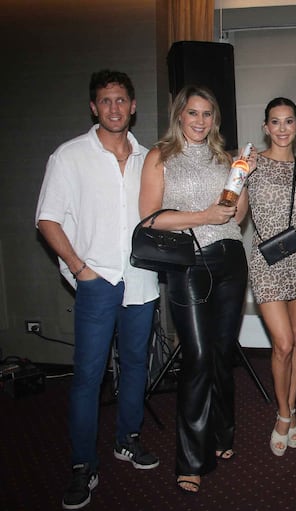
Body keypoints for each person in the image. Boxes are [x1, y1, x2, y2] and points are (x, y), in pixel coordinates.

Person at [36, 69, 160, 510]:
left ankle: (127, 440)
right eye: (105, 101)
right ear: (94, 107)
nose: (114, 108)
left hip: (142, 280)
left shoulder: (150, 158)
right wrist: (78, 267)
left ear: (133, 106)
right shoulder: (69, 156)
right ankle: (82, 464)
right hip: (96, 280)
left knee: (134, 368)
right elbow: (47, 218)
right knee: (88, 377)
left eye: (121, 100)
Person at [139, 85, 249, 493]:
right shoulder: (160, 157)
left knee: (221, 354)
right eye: (193, 113)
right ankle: (190, 458)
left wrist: (242, 178)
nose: (200, 121)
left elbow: (237, 216)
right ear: (179, 116)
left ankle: (223, 435)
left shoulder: (225, 157)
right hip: (189, 264)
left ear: (214, 119)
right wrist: (203, 214)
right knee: (198, 355)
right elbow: (149, 219)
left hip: (231, 261)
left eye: (207, 114)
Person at [246, 97, 296, 456]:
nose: (281, 128)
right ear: (265, 127)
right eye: (274, 122)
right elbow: (234, 213)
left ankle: (291, 409)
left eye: (288, 121)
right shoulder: (251, 165)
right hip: (266, 261)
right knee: (283, 344)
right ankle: (281, 413)